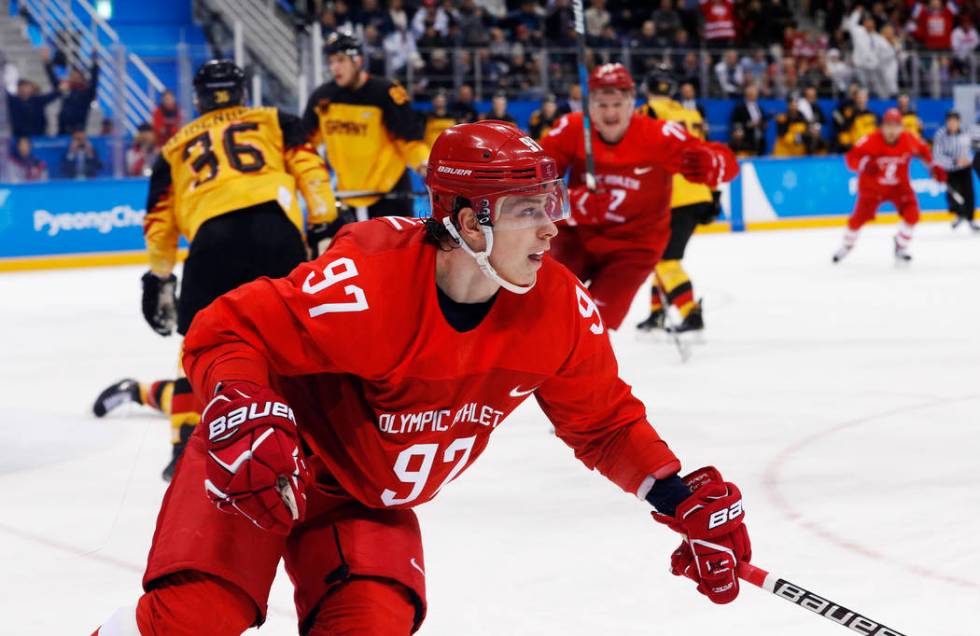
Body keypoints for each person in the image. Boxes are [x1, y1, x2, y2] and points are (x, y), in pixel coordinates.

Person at [92, 119, 752, 636]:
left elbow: (604, 423)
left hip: (364, 500)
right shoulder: (369, 282)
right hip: (268, 459)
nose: (552, 230)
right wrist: (241, 409)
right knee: (194, 622)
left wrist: (675, 495)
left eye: (547, 205)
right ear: (469, 222)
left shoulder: (559, 310)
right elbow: (226, 328)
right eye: (528, 210)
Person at [91, 60, 336, 481]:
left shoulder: (173, 148)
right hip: (274, 229)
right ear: (242, 93)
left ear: (199, 98)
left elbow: (159, 222)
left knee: (199, 352)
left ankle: (184, 446)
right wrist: (324, 226)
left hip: (211, 241)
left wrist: (159, 276)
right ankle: (319, 438)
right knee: (296, 338)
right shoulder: (275, 119)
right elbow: (312, 173)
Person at [540, 64, 738, 331]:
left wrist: (711, 163)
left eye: (617, 104)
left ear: (632, 103)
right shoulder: (571, 129)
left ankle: (580, 370)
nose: (610, 113)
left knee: (592, 327)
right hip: (576, 235)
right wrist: (570, 202)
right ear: (589, 105)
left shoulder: (658, 135)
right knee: (536, 300)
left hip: (633, 249)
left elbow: (727, 164)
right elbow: (531, 182)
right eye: (601, 104)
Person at [304, 31, 428, 221]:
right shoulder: (322, 98)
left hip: (389, 195)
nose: (334, 67)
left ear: (358, 61)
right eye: (331, 62)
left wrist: (425, 166)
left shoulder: (386, 93)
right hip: (348, 196)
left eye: (340, 60)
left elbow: (410, 140)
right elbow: (305, 143)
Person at [636, 66, 721, 334]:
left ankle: (690, 313)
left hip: (672, 196)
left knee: (666, 261)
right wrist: (714, 193)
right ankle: (657, 312)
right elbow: (705, 154)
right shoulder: (691, 114)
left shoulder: (648, 112)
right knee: (660, 255)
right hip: (698, 191)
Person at [832, 108, 946, 264]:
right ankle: (847, 245)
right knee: (857, 220)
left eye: (895, 126)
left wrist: (933, 167)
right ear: (882, 127)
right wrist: (865, 164)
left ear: (901, 127)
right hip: (872, 188)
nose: (892, 130)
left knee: (913, 214)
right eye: (888, 126)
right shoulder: (870, 140)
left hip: (899, 187)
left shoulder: (908, 139)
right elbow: (851, 158)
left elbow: (924, 151)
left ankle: (900, 245)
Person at [932, 110, 977, 230]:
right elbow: (937, 155)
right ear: (946, 122)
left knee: (969, 193)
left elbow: (974, 148)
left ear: (959, 122)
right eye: (949, 121)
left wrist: (969, 158)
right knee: (952, 195)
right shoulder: (940, 135)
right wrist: (954, 161)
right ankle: (959, 214)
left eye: (954, 121)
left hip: (965, 169)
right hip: (949, 170)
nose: (952, 124)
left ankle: (971, 219)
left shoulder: (967, 132)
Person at [45, 57, 99, 135]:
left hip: (78, 129)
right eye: (72, 75)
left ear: (82, 77)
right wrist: (47, 63)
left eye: (77, 76)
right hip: (63, 127)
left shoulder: (87, 91)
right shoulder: (66, 88)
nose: (74, 78)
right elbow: (54, 81)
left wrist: (95, 65)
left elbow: (94, 82)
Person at [729, 82, 766, 156]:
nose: (754, 96)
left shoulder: (759, 108)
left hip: (759, 138)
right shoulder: (740, 108)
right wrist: (748, 125)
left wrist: (762, 125)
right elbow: (736, 123)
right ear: (747, 95)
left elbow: (763, 121)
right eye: (751, 94)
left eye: (755, 94)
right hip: (746, 138)